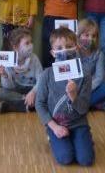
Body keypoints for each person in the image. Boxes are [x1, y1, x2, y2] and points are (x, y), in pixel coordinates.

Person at [35, 27, 94, 166]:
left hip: (79, 123)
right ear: (53, 52)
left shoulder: (85, 74)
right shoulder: (47, 74)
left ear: (76, 48)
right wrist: (54, 127)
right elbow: (40, 104)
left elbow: (84, 108)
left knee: (86, 160)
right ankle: (52, 136)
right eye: (59, 47)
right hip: (57, 123)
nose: (65, 51)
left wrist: (73, 95)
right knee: (65, 158)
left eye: (69, 47)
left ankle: (83, 138)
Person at [0, 27, 42, 113]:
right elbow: (8, 87)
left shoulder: (34, 58)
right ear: (15, 47)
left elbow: (41, 80)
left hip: (31, 88)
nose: (31, 45)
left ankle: (13, 106)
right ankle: (29, 105)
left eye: (31, 42)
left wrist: (33, 92)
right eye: (27, 43)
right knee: (0, 92)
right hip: (16, 90)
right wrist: (4, 75)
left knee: (45, 93)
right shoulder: (9, 60)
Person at [76, 19, 105, 111]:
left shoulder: (99, 54)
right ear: (79, 36)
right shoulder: (75, 52)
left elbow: (99, 78)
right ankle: (95, 104)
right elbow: (73, 75)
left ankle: (80, 105)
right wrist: (76, 53)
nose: (90, 38)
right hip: (77, 87)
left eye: (93, 36)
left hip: (91, 87)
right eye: (86, 35)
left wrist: (85, 89)